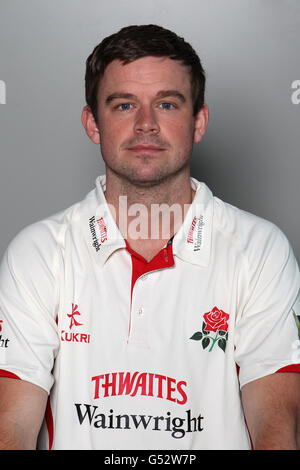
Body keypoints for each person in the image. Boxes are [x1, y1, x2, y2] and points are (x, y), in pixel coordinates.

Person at [0, 24, 299, 451]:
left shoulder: (261, 250)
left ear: (198, 122)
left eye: (167, 104)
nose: (146, 125)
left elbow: (277, 424)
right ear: (92, 123)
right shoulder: (37, 254)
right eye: (124, 105)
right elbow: (9, 428)